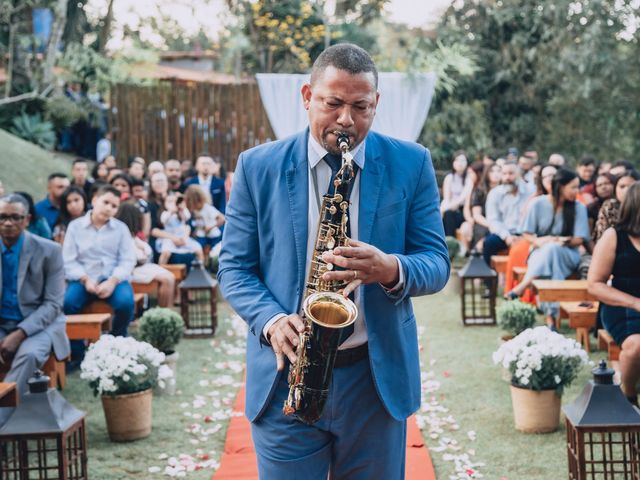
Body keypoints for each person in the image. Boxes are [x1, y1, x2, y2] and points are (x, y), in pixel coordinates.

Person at [218, 43, 449, 479]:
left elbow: (436, 262)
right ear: (307, 97)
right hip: (287, 372)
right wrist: (270, 320)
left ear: (376, 104)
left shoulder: (412, 163)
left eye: (360, 107)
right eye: (333, 103)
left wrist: (390, 268)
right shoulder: (256, 166)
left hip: (373, 381)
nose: (346, 120)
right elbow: (233, 267)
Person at [0, 194, 70, 426]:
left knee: (28, 354)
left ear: (27, 219)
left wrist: (19, 333)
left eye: (14, 217)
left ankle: (1, 421)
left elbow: (53, 304)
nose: (8, 223)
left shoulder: (49, 251)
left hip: (40, 325)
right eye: (2, 217)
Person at [506, 169, 590, 328]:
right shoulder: (538, 203)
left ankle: (525, 285)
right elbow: (527, 233)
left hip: (568, 253)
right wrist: (540, 241)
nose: (576, 191)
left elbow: (579, 239)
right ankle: (551, 316)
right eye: (573, 187)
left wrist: (557, 240)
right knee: (551, 257)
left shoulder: (578, 207)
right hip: (540, 252)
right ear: (560, 186)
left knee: (553, 250)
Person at [588, 182, 640, 405]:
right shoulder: (614, 236)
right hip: (621, 308)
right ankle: (628, 397)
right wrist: (635, 303)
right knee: (636, 345)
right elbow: (595, 285)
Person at [62, 186, 137, 337]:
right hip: (83, 277)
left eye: (114, 206)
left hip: (112, 278)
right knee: (68, 303)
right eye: (106, 202)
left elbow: (127, 260)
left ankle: (117, 341)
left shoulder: (121, 229)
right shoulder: (75, 227)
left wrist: (112, 281)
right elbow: (69, 260)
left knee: (126, 303)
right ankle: (77, 353)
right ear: (95, 200)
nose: (109, 208)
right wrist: (85, 279)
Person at [116, 203, 175, 307]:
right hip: (132, 270)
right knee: (166, 280)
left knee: (170, 277)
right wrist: (143, 253)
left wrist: (143, 251)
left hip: (143, 266)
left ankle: (167, 311)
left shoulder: (133, 236)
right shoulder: (122, 236)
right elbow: (136, 258)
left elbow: (147, 251)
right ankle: (163, 311)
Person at [483, 161, 534, 268]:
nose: (507, 177)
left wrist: (526, 236)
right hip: (505, 234)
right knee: (489, 243)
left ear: (519, 175)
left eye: (511, 173)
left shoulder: (531, 191)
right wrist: (507, 237)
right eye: (504, 174)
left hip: (527, 234)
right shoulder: (495, 193)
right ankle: (491, 280)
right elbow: (493, 220)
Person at [157, 193, 204, 265]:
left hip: (183, 238)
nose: (172, 203)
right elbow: (163, 220)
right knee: (166, 253)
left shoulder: (182, 211)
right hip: (169, 238)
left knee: (198, 249)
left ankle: (201, 268)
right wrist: (171, 211)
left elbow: (187, 218)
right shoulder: (165, 213)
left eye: (174, 201)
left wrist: (181, 207)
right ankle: (161, 269)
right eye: (169, 201)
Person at [593, 171, 640, 243]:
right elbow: (602, 239)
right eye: (622, 186)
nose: (626, 190)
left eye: (631, 186)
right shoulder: (610, 206)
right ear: (615, 189)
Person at [440, 150, 473, 238]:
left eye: (462, 160)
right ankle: (448, 243)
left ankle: (451, 242)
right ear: (453, 163)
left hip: (462, 211)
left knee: (447, 213)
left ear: (467, 163)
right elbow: (446, 198)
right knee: (447, 214)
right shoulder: (449, 178)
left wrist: (443, 209)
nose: (460, 163)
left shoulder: (469, 180)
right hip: (449, 209)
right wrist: (444, 208)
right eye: (457, 160)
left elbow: (462, 199)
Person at [470, 163, 501, 251]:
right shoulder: (480, 191)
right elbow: (476, 215)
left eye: (499, 171)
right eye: (492, 171)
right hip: (484, 222)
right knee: (483, 231)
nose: (496, 174)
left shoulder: (506, 191)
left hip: (501, 223)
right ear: (487, 173)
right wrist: (490, 224)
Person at [184, 184, 224, 251]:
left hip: (213, 236)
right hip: (201, 236)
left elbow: (222, 219)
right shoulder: (194, 210)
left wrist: (210, 227)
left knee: (212, 251)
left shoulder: (208, 208)